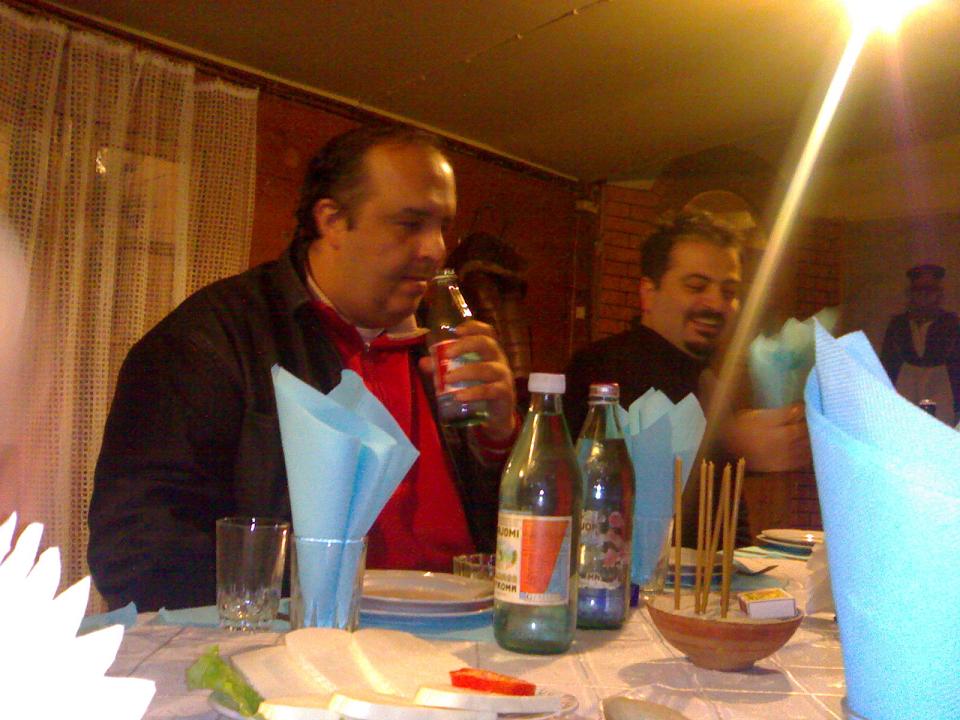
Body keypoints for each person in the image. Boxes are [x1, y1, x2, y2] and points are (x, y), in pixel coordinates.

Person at [88, 125, 518, 611]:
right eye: (409, 223)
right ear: (331, 220)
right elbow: (135, 548)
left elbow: (520, 544)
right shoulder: (212, 337)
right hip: (293, 643)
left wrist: (502, 441)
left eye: (443, 226)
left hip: (467, 635)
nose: (436, 249)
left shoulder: (448, 350)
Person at [565, 209, 811, 472]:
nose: (716, 304)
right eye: (696, 286)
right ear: (649, 293)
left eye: (729, 292)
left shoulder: (708, 381)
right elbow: (594, 477)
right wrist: (734, 450)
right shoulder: (602, 369)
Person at [880, 264, 960, 424]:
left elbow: (957, 365)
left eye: (929, 290)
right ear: (910, 293)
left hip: (941, 388)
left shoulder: (952, 324)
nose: (924, 295)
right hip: (905, 387)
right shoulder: (898, 324)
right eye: (918, 290)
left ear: (938, 293)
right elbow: (888, 363)